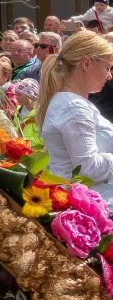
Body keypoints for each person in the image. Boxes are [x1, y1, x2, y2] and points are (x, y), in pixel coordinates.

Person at [37, 30, 113, 198]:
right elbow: (88, 168)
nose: (109, 76)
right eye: (107, 67)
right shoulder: (73, 107)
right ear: (86, 64)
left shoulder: (72, 103)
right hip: (93, 206)